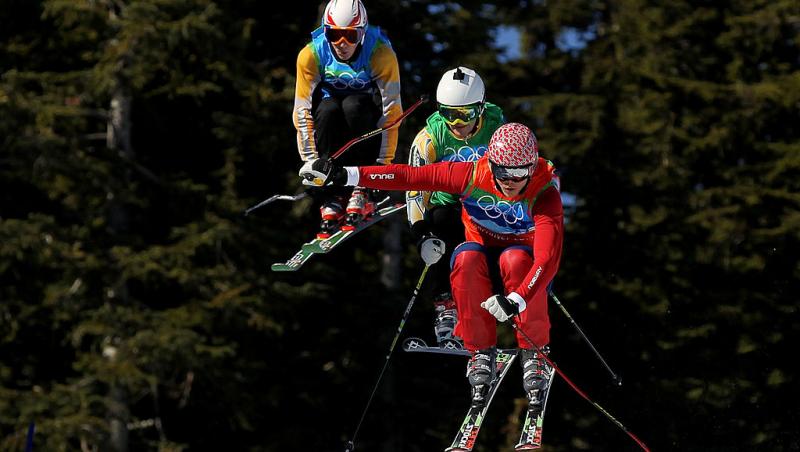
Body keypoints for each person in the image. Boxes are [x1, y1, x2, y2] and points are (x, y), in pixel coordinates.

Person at [299, 123, 563, 411]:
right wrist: (344, 174)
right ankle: (479, 351)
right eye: (502, 172)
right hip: (482, 263)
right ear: (492, 163)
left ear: (531, 167)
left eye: (519, 173)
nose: (510, 181)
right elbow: (409, 176)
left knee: (516, 259)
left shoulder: (544, 193)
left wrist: (518, 298)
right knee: (465, 257)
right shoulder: (472, 174)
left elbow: (547, 258)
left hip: (523, 271)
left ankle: (535, 353)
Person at [406, 66, 505, 346]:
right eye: (449, 113)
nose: (457, 123)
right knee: (440, 229)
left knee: (497, 249)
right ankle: (445, 308)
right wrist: (421, 232)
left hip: (486, 204)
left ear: (481, 108)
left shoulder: (497, 128)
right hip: (447, 206)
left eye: (465, 114)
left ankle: (495, 309)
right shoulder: (430, 137)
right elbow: (415, 188)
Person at [293, 0, 402, 238]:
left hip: (365, 117)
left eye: (350, 36)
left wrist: (381, 167)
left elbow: (392, 111)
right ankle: (332, 193)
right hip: (330, 118)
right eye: (334, 35)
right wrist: (311, 164)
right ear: (325, 31)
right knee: (328, 109)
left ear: (362, 33)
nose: (342, 44)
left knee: (353, 105)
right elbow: (301, 110)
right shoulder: (310, 55)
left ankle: (361, 186)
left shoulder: (381, 54)